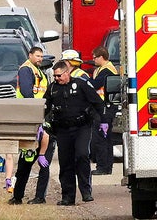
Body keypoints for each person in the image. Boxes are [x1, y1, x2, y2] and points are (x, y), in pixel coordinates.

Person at [44, 61, 105, 206]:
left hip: (81, 127)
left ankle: (86, 191)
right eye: (55, 76)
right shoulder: (52, 88)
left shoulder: (81, 84)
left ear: (67, 73)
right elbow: (44, 107)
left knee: (82, 155)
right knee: (66, 162)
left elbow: (98, 103)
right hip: (62, 129)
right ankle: (68, 197)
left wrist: (104, 121)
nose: (57, 78)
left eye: (59, 75)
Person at [8, 46, 56, 205]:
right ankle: (17, 196)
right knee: (25, 162)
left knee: (43, 162)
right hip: (30, 119)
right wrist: (36, 116)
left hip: (41, 118)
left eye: (42, 56)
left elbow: (45, 95)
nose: (40, 59)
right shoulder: (26, 70)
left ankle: (39, 197)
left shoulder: (38, 70)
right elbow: (28, 93)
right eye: (37, 56)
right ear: (30, 55)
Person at [90, 46, 119, 175]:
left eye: (95, 57)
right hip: (107, 107)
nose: (93, 60)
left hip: (104, 109)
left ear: (101, 57)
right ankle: (106, 167)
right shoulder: (105, 68)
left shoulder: (106, 70)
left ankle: (102, 167)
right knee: (106, 138)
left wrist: (87, 81)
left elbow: (95, 85)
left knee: (101, 138)